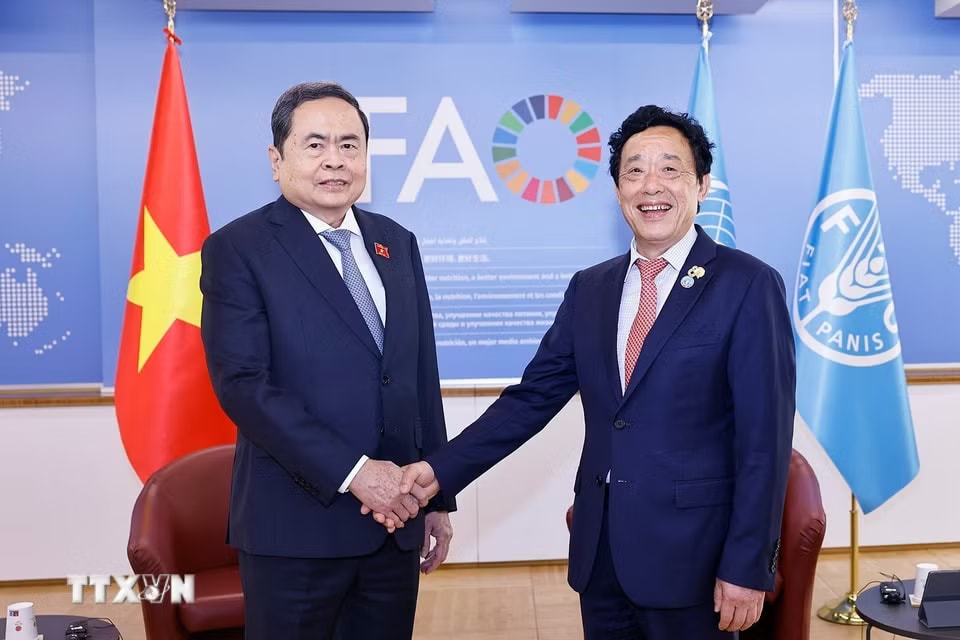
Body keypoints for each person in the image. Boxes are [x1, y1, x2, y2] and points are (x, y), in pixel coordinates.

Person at [388, 105, 796, 639]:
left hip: (697, 558)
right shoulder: (591, 288)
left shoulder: (747, 285)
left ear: (702, 185)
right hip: (602, 554)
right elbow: (531, 399)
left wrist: (747, 565)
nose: (651, 184)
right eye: (634, 170)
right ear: (618, 189)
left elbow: (764, 441)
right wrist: (439, 471)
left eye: (670, 169)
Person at [199, 81, 455, 640]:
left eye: (349, 144)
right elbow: (243, 384)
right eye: (314, 145)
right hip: (295, 530)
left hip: (396, 524)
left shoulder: (397, 242)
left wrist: (439, 495)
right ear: (277, 158)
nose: (335, 160)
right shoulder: (239, 249)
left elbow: (418, 375)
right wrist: (357, 473)